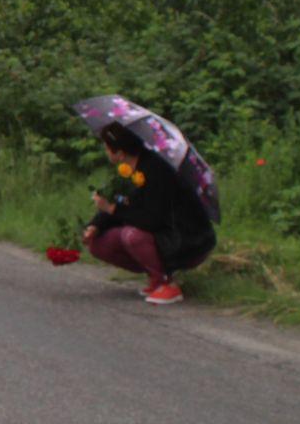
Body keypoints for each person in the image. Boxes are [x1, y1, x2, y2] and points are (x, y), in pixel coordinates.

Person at [75, 123, 216, 304]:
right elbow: (121, 201)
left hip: (187, 238)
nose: (105, 150)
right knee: (99, 243)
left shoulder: (156, 170)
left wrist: (112, 209)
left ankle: (167, 284)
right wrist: (95, 225)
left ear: (120, 153)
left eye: (107, 147)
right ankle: (156, 277)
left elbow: (152, 220)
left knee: (131, 235)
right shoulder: (130, 169)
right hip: (163, 235)